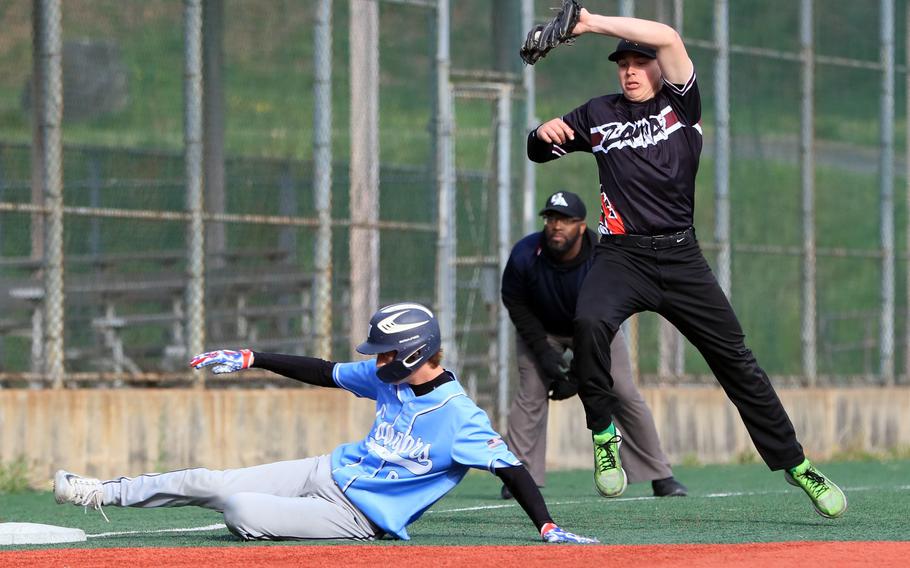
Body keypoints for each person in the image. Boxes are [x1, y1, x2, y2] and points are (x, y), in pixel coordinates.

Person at [526, 9, 847, 519]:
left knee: (736, 361)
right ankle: (604, 432)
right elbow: (538, 151)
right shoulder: (598, 113)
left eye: (639, 62)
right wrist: (544, 133)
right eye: (623, 64)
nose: (630, 70)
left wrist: (586, 22)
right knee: (588, 321)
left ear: (659, 70)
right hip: (621, 255)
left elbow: (669, 37)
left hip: (680, 257)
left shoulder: (681, 104)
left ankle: (797, 463)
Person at [52, 302, 597, 543]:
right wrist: (253, 358)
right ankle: (103, 492)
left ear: (414, 353)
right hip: (326, 472)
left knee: (237, 508)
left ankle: (268, 525)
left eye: (386, 353)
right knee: (209, 481)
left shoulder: (459, 418)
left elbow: (513, 469)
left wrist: (547, 527)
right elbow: (325, 372)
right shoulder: (389, 378)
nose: (377, 360)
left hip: (359, 518)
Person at [500, 189, 686, 499]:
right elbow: (515, 302)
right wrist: (543, 353)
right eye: (551, 219)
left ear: (582, 225)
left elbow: (610, 313)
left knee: (624, 392)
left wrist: (577, 376)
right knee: (530, 394)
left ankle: (660, 475)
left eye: (566, 220)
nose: (556, 226)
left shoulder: (603, 257)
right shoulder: (525, 254)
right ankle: (520, 477)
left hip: (598, 328)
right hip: (541, 330)